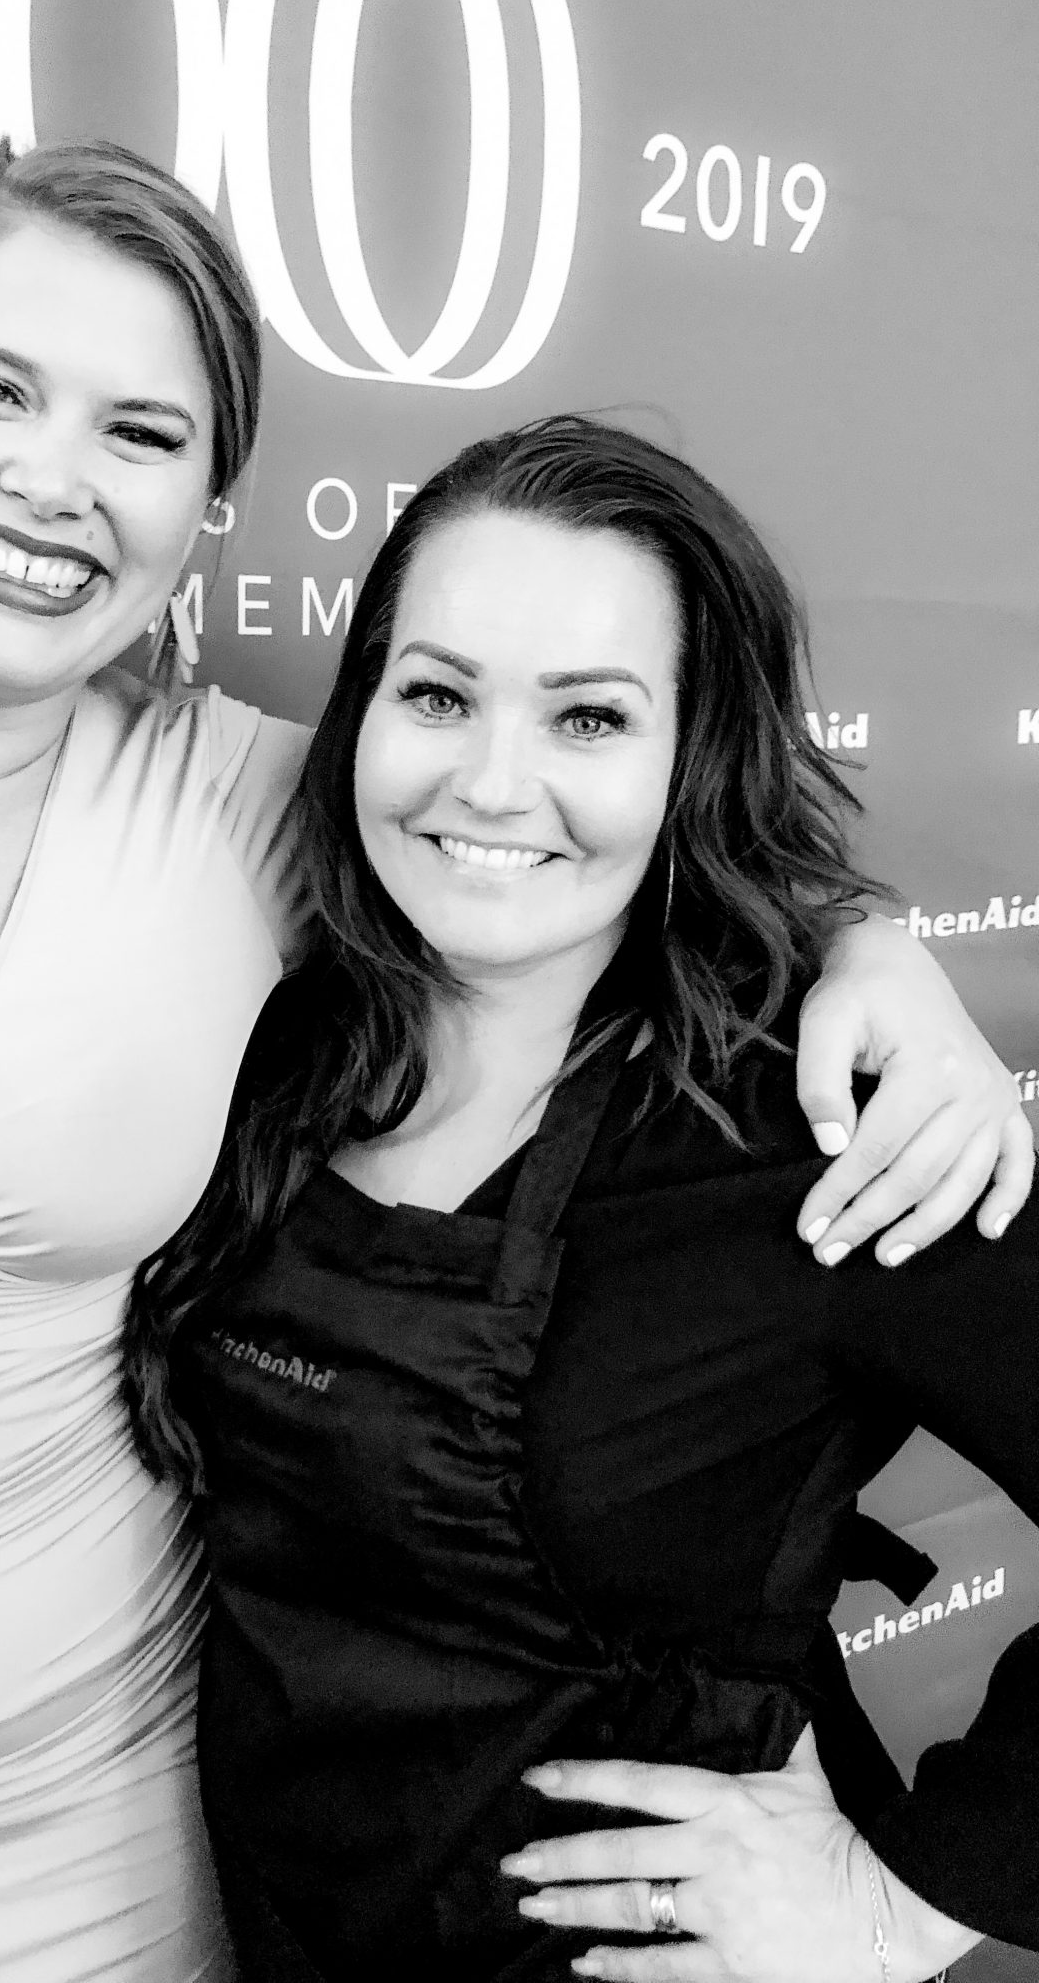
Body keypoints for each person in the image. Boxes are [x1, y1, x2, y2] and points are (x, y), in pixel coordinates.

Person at [0, 144, 1026, 1983]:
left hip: (119, 1814)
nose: (51, 477)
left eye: (142, 432)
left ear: (206, 509)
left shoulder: (259, 821)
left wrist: (912, 1901)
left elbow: (572, 847)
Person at [124, 417, 1039, 1983]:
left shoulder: (824, 1131)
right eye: (438, 695)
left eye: (590, 717)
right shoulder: (272, 1048)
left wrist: (910, 1904)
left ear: (692, 758)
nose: (493, 783)